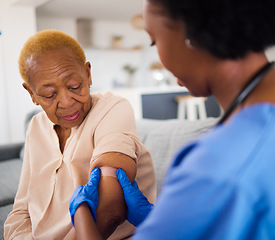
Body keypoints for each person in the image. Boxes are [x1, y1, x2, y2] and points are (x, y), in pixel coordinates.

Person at [69, 0, 275, 239]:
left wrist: (81, 211)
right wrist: (157, 218)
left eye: (155, 41)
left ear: (192, 32)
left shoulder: (212, 167)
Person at [4, 29, 156, 240]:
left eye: (74, 86)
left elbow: (111, 210)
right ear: (31, 94)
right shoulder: (36, 127)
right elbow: (21, 209)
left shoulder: (112, 109)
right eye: (50, 94)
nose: (67, 102)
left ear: (88, 74)